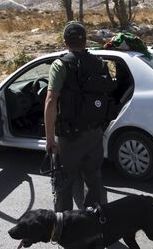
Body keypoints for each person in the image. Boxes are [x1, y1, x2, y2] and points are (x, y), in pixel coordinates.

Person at [44, 21, 112, 212]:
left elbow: (50, 101)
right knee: (94, 180)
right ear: (85, 40)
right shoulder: (99, 64)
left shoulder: (60, 64)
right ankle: (96, 223)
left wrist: (50, 139)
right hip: (95, 133)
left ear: (65, 41)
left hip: (69, 136)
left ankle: (65, 227)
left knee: (64, 182)